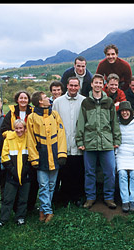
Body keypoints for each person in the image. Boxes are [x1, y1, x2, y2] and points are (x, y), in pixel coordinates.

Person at [75, 74, 121, 210]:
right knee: (89, 172)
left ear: (103, 85)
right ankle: (90, 197)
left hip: (107, 143)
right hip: (89, 142)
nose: (98, 85)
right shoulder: (86, 102)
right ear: (92, 84)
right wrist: (80, 141)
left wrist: (116, 139)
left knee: (110, 171)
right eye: (96, 83)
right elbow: (81, 123)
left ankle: (109, 197)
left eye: (100, 83)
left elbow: (114, 122)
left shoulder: (109, 102)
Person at [27, 91, 67, 223]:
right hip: (41, 157)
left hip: (55, 156)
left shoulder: (55, 115)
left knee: (51, 185)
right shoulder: (32, 117)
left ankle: (43, 210)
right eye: (45, 98)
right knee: (43, 185)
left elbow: (61, 135)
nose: (48, 99)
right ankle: (48, 211)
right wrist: (34, 158)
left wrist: (62, 154)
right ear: (39, 101)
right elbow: (30, 140)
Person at [0, 90, 37, 212]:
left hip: (28, 146)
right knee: (13, 178)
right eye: (21, 98)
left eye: (25, 98)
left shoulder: (32, 111)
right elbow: (4, 130)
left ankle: (28, 207)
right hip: (14, 147)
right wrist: (14, 135)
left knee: (28, 178)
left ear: (28, 100)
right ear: (17, 100)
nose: (23, 100)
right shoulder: (11, 112)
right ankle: (13, 207)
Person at [52, 77, 86, 207]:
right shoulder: (58, 102)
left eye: (75, 86)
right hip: (63, 143)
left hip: (78, 143)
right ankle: (64, 198)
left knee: (77, 171)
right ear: (67, 86)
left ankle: (77, 197)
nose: (73, 88)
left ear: (79, 87)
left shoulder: (84, 101)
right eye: (71, 85)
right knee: (64, 172)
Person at [0, 119, 31, 228]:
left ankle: (20, 217)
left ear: (25, 129)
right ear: (13, 129)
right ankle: (3, 219)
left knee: (23, 198)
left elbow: (32, 154)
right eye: (17, 128)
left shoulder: (29, 138)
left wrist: (26, 169)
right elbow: (4, 156)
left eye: (21, 128)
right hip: (12, 174)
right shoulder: (9, 139)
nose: (19, 130)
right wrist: (11, 169)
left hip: (26, 174)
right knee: (8, 198)